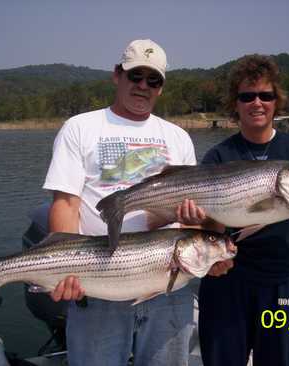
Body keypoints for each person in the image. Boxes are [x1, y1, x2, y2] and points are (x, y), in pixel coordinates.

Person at [42, 39, 197, 366]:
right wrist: (65, 268)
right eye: (135, 76)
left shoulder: (179, 137)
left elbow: (187, 220)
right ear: (117, 75)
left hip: (169, 282)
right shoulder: (80, 127)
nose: (143, 86)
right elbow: (66, 203)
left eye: (153, 80)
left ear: (161, 87)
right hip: (98, 281)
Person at [191, 55, 289, 366]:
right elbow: (208, 232)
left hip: (285, 281)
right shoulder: (219, 155)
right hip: (227, 283)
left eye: (266, 95)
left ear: (277, 101)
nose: (257, 103)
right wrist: (198, 219)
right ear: (235, 104)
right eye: (247, 96)